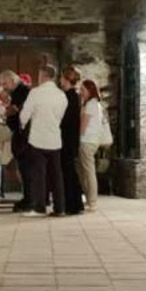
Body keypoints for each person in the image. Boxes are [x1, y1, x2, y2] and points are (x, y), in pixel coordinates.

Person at [18, 63, 68, 217]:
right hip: (54, 139)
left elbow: (25, 114)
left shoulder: (35, 93)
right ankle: (60, 208)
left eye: (39, 75)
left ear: (44, 76)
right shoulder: (61, 95)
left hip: (38, 139)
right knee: (57, 175)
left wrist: (23, 124)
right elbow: (60, 116)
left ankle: (40, 207)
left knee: (39, 174)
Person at [0, 70, 33, 211]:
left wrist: (8, 111)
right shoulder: (18, 92)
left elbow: (18, 113)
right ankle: (29, 197)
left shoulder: (22, 93)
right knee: (24, 169)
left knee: (27, 169)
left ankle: (30, 199)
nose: (3, 87)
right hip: (23, 136)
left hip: (24, 137)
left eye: (5, 83)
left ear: (12, 81)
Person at [78, 78, 108, 212]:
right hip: (92, 140)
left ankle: (92, 201)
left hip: (87, 140)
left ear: (90, 91)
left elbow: (83, 126)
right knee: (86, 171)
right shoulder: (96, 104)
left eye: (83, 90)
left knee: (88, 172)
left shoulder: (90, 105)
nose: (80, 92)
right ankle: (90, 200)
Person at [59, 67, 84, 215]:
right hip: (70, 138)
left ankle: (72, 205)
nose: (60, 80)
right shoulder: (73, 96)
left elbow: (66, 120)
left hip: (67, 138)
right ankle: (74, 204)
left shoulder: (69, 96)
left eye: (62, 77)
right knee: (69, 171)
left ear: (67, 79)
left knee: (68, 171)